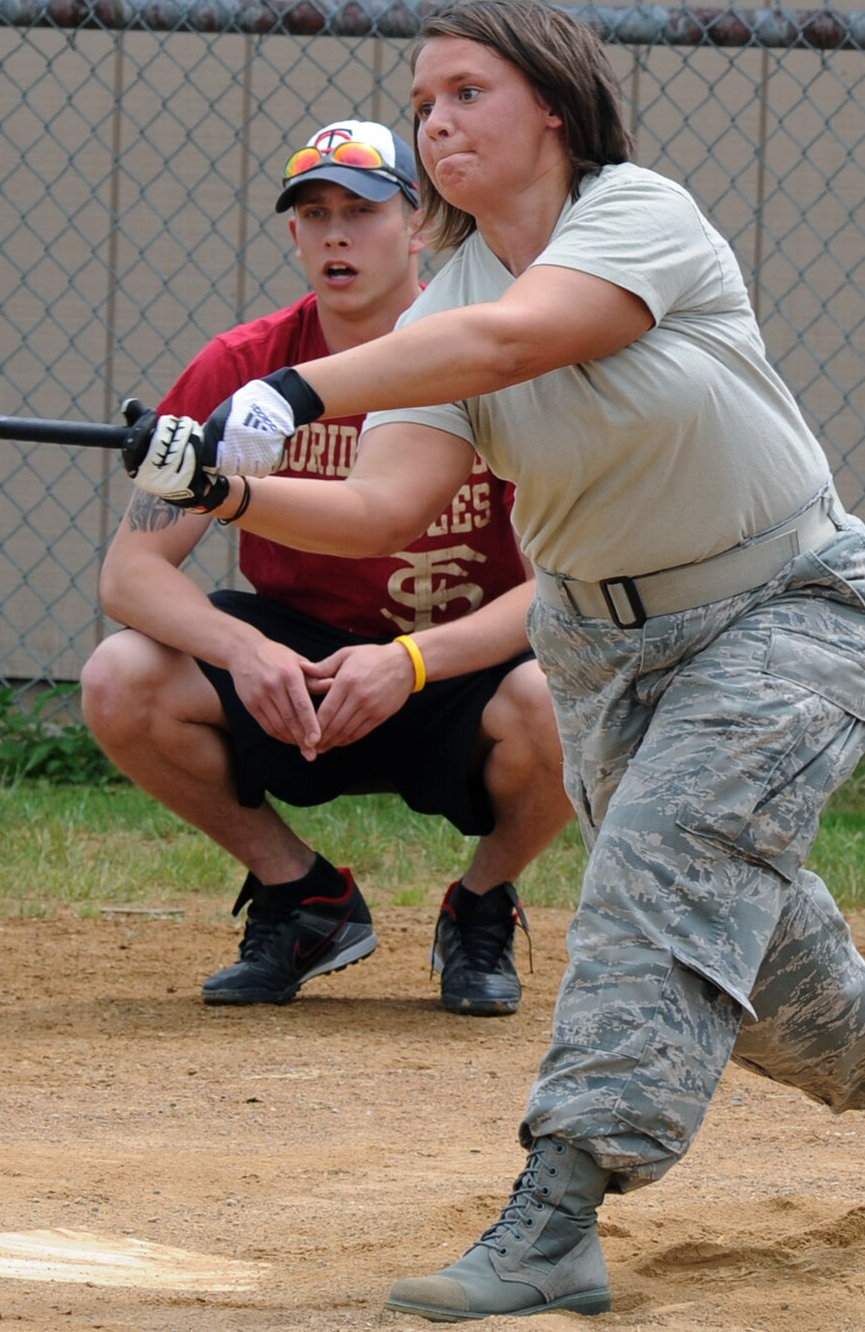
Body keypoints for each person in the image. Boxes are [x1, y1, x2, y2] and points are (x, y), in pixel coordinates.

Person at [126, 2, 865, 1320]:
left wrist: (306, 393)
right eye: (423, 100)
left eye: (466, 92)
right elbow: (380, 507)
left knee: (656, 873)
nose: (436, 121)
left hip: (783, 607)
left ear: (550, 105)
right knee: (774, 980)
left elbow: (513, 340)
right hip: (605, 648)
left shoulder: (635, 215)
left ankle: (561, 1202)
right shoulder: (444, 303)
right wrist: (216, 487)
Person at [85, 117, 572, 1016]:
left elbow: (565, 588)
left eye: (363, 209)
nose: (336, 233)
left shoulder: (494, 355)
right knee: (121, 677)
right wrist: (240, 649)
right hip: (299, 667)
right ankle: (302, 896)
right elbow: (131, 573)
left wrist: (416, 662)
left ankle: (480, 901)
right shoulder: (242, 368)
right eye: (315, 213)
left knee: (566, 696)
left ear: (419, 226)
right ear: (293, 234)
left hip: (458, 661)